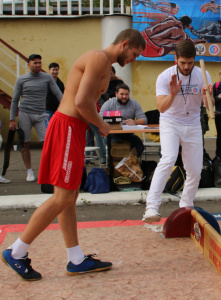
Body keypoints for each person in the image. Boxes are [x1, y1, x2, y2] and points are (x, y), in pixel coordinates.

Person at [1, 29, 146, 281]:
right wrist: (102, 124)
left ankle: (76, 259)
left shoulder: (104, 64)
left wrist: (97, 121)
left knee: (69, 195)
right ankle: (17, 250)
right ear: (124, 44)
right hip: (68, 125)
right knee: (63, 197)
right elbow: (81, 102)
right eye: (134, 53)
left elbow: (85, 100)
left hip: (73, 128)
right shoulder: (99, 58)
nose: (134, 59)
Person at [142, 40, 213, 223]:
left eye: (190, 63)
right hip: (170, 122)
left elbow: (209, 108)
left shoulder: (203, 75)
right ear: (176, 59)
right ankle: (151, 207)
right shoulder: (164, 77)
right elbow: (161, 108)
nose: (187, 67)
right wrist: (172, 94)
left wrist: (207, 96)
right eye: (183, 63)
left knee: (195, 170)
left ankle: (186, 204)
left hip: (194, 123)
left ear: (194, 60)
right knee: (168, 158)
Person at [9, 54, 63, 182]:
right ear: (28, 64)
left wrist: (65, 108)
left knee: (47, 143)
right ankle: (29, 171)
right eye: (35, 63)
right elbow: (15, 99)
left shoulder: (47, 78)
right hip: (25, 114)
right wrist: (12, 119)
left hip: (41, 114)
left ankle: (49, 170)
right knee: (25, 143)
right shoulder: (21, 79)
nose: (38, 65)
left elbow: (58, 93)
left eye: (39, 63)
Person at [100, 83, 147, 156]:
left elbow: (144, 120)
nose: (124, 97)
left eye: (126, 94)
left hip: (128, 134)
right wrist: (113, 123)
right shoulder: (108, 104)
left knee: (139, 146)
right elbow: (100, 119)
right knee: (119, 149)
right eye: (122, 94)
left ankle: (130, 163)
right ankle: (118, 165)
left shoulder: (134, 103)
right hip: (112, 134)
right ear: (116, 94)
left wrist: (135, 122)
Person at [141, 15, 206, 57]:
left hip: (141, 38)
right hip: (150, 49)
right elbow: (192, 41)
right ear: (187, 25)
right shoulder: (182, 34)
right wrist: (203, 40)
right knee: (176, 45)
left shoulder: (170, 18)